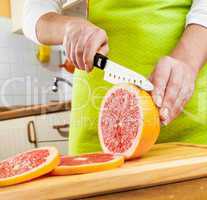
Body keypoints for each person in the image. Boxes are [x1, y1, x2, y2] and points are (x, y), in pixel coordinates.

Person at [23, 0, 207, 155]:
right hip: (97, 125)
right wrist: (67, 27)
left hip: (189, 122)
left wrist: (188, 59)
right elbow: (33, 10)